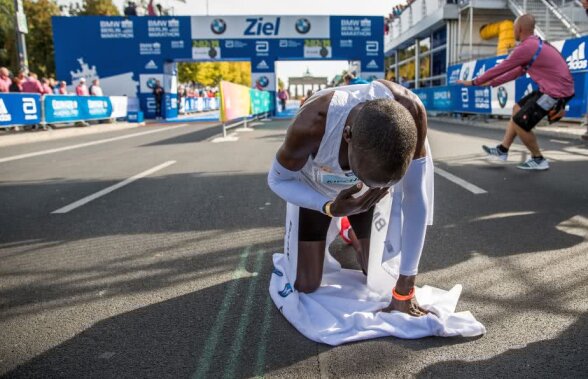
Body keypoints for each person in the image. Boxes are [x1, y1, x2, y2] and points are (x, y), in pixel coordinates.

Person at [267, 79, 431, 316]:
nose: (361, 180)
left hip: (367, 199)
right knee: (306, 284)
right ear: (347, 135)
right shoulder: (311, 124)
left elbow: (415, 198)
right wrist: (329, 207)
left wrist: (405, 289)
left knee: (379, 276)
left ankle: (350, 232)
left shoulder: (412, 113)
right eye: (361, 174)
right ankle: (341, 220)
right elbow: (277, 180)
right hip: (318, 190)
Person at [458, 14, 574, 171]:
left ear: (519, 29)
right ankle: (502, 150)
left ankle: (538, 158)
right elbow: (517, 71)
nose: (512, 32)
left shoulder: (527, 47)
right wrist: (492, 83)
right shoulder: (534, 44)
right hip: (550, 89)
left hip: (556, 93)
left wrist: (474, 82)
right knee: (517, 110)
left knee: (520, 122)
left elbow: (502, 67)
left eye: (513, 29)